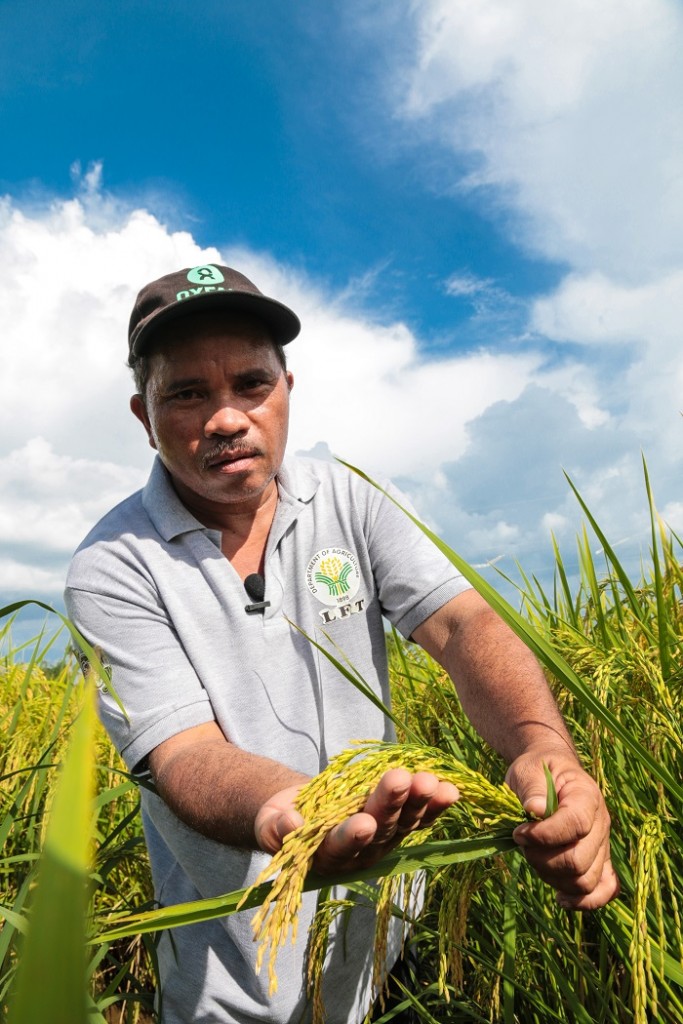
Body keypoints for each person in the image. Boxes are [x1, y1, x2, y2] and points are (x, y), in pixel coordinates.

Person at [65, 263, 619, 1024]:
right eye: (187, 393)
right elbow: (184, 754)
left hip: (388, 936)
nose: (226, 418)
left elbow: (461, 627)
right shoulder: (112, 567)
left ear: (287, 387)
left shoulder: (350, 501)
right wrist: (290, 816)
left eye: (250, 384)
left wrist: (540, 748)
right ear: (143, 414)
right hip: (231, 978)